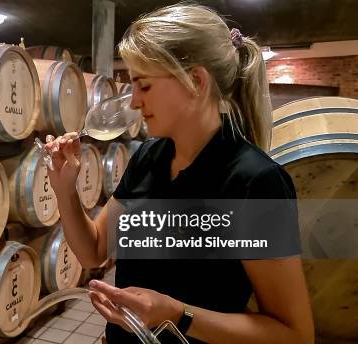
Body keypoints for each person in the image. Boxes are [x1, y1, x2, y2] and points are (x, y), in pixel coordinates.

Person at [44, 4, 314, 344]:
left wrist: (177, 313)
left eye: (144, 85)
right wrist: (65, 188)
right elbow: (94, 250)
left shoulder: (255, 182)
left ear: (196, 81)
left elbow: (294, 334)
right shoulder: (148, 157)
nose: (133, 103)